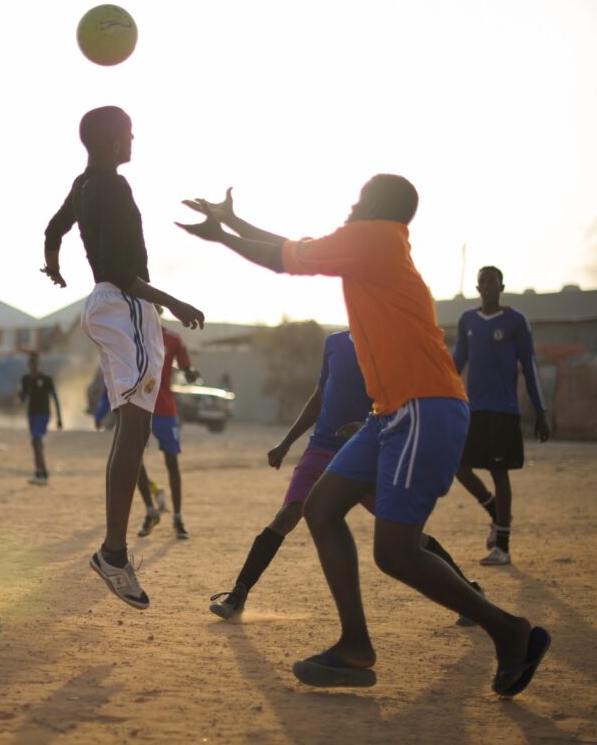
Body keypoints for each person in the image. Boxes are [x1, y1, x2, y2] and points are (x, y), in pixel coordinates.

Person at [179, 179, 549, 697]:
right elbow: (296, 248)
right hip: (390, 414)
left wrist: (223, 236)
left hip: (424, 406)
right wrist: (233, 223)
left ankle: (509, 631)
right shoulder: (372, 245)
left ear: (374, 207)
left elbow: (284, 259)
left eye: (356, 200)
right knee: (322, 508)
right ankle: (355, 646)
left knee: (395, 553)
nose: (349, 207)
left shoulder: (375, 238)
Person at [42, 106, 205, 610]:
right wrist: (172, 302)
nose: (134, 140)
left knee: (131, 430)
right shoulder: (113, 186)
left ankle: (115, 551)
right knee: (135, 430)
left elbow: (53, 230)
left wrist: (54, 267)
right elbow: (116, 265)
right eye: (130, 134)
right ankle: (113, 553)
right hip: (125, 305)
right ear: (115, 145)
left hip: (111, 306)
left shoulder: (84, 183)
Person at [208, 331, 483, 628]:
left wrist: (369, 426)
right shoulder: (334, 343)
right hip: (322, 446)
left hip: (366, 451)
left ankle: (470, 594)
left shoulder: (389, 342)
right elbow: (319, 397)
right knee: (287, 516)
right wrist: (286, 443)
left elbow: (400, 400)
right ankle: (238, 595)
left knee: (408, 537)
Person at [453, 266, 551, 566]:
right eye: (481, 282)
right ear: (477, 287)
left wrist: (540, 411)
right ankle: (497, 513)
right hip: (475, 410)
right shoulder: (468, 320)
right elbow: (455, 364)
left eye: (491, 281)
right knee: (459, 466)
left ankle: (503, 548)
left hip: (504, 411)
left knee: (499, 473)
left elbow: (529, 366)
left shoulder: (515, 321)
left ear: (501, 286)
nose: (486, 286)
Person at [135, 325, 198, 540]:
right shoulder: (133, 333)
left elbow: (186, 366)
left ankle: (178, 518)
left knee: (172, 462)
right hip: (138, 406)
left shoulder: (172, 338)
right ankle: (150, 511)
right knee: (133, 460)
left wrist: (190, 372)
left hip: (164, 409)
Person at [20, 352, 62, 486]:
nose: (33, 365)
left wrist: (59, 418)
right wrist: (18, 395)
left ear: (38, 363)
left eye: (35, 362)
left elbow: (55, 398)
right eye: (31, 362)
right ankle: (41, 472)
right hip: (31, 414)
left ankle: (41, 473)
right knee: (35, 443)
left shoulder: (47, 379)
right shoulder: (25, 379)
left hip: (43, 414)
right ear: (29, 364)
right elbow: (23, 398)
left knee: (37, 441)